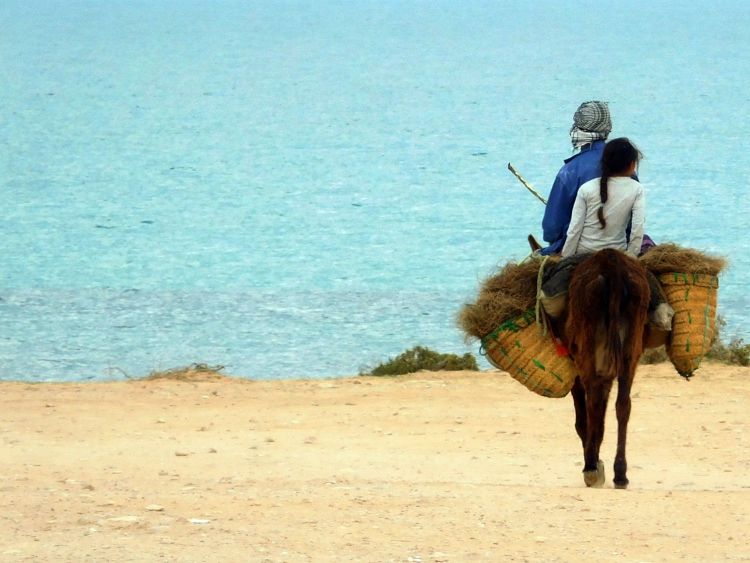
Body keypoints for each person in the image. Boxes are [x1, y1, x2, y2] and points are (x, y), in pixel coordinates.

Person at [540, 100, 612, 255]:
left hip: (577, 249)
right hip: (620, 245)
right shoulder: (626, 165)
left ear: (578, 128)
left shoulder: (569, 172)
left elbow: (551, 229)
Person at [561, 137, 644, 258]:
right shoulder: (637, 189)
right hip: (617, 255)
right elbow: (637, 230)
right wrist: (631, 257)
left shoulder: (586, 188)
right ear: (632, 164)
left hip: (584, 254)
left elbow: (574, 230)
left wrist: (566, 257)